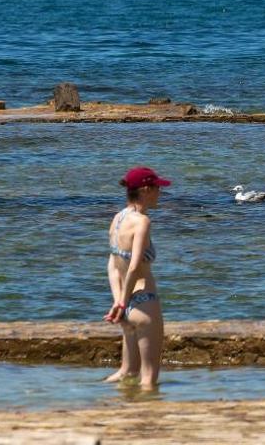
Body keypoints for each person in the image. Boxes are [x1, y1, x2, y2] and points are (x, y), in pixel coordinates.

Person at [105, 166, 169, 389]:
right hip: (145, 302)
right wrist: (123, 302)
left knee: (126, 374)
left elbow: (113, 265)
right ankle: (148, 421)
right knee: (148, 380)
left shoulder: (118, 218)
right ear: (145, 190)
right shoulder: (142, 222)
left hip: (127, 305)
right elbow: (133, 267)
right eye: (157, 188)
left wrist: (119, 302)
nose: (160, 193)